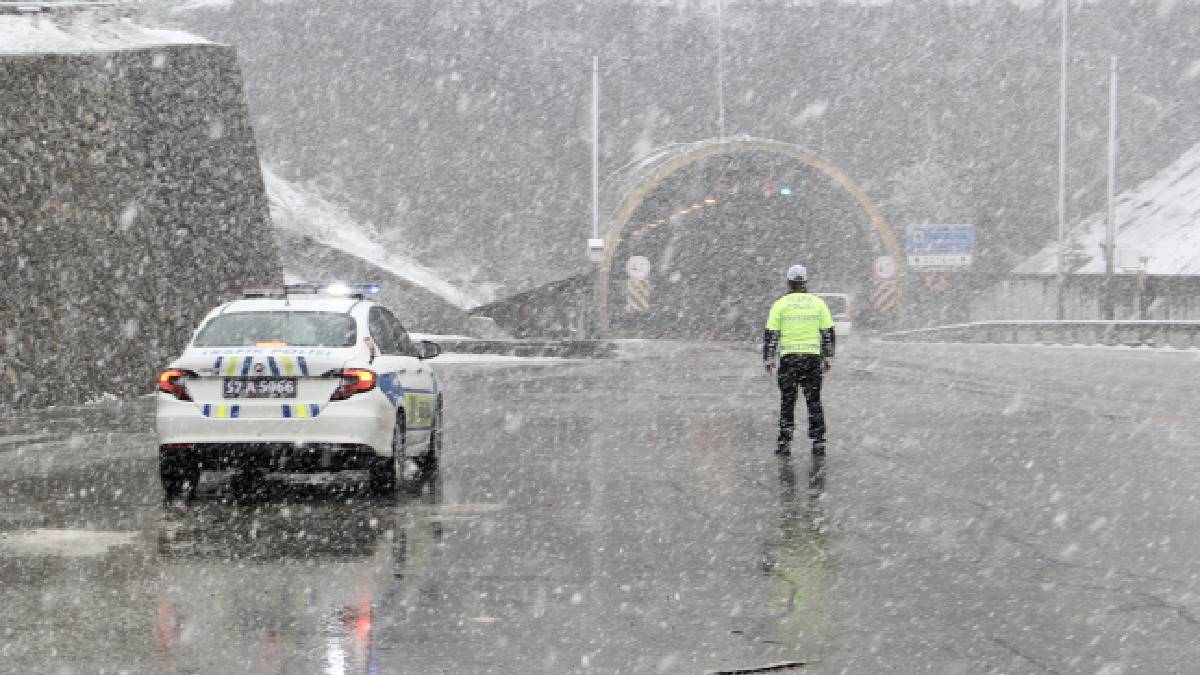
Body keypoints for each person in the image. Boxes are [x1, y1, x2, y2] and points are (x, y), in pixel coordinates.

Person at [763, 264, 835, 455]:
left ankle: (785, 442)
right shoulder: (818, 303)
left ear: (788, 282)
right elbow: (828, 332)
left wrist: (769, 359)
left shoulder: (780, 304)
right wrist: (828, 357)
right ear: (805, 282)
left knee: (787, 401)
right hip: (812, 359)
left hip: (789, 360)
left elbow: (771, 334)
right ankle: (818, 441)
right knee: (814, 400)